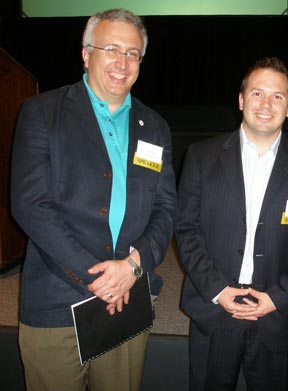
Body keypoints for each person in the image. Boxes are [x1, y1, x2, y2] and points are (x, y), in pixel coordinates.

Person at [10, 8, 177, 391]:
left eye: (133, 53)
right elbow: (30, 204)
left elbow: (166, 208)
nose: (122, 62)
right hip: (58, 299)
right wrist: (97, 276)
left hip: (129, 297)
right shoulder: (42, 113)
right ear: (86, 54)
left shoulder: (154, 126)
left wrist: (133, 267)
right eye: (111, 48)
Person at [175, 57, 288, 391]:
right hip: (215, 310)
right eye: (257, 93)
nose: (266, 104)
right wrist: (219, 290)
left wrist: (276, 297)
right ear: (241, 99)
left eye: (277, 96)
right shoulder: (201, 157)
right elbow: (187, 231)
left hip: (278, 316)